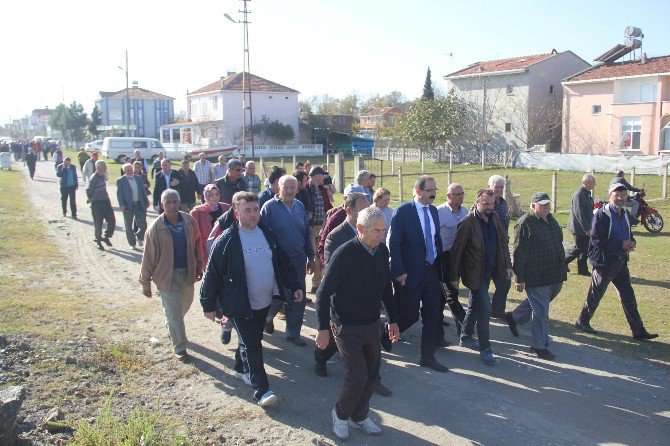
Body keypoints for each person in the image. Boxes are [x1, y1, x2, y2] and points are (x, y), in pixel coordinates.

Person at [201, 191, 302, 407]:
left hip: (264, 301)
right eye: (247, 210)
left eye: (256, 209)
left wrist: (294, 285)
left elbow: (282, 261)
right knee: (253, 344)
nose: (253, 214)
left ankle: (240, 368)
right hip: (240, 303)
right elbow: (212, 275)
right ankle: (262, 390)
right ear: (237, 213)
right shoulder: (227, 241)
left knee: (252, 339)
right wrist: (208, 305)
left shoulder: (266, 233)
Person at [316, 206, 399, 440]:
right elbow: (323, 294)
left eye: (383, 230)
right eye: (376, 231)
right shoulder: (345, 254)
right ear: (360, 229)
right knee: (357, 375)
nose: (380, 235)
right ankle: (341, 415)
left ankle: (359, 416)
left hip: (371, 323)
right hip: (346, 325)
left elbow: (385, 288)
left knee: (372, 372)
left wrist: (392, 319)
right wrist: (323, 329)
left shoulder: (381, 251)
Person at [574, 183, 658, 340]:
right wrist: (621, 245)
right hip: (604, 263)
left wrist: (631, 242)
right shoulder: (601, 215)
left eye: (623, 195)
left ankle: (638, 331)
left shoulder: (625, 213)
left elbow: (628, 233)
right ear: (609, 197)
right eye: (616, 195)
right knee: (595, 295)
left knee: (629, 297)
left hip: (620, 262)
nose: (620, 198)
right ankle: (582, 321)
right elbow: (597, 240)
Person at [387, 176, 448, 372]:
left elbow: (434, 239)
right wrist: (398, 270)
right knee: (410, 315)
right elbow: (394, 243)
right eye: (429, 190)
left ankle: (428, 357)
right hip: (410, 272)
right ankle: (383, 334)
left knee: (432, 315)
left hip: (431, 271)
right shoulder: (404, 211)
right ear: (418, 191)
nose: (433, 193)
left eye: (435, 189)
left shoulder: (433, 211)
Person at [139, 189, 204, 361]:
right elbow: (148, 257)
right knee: (174, 312)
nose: (172, 205)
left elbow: (198, 244)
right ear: (162, 205)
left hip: (187, 272)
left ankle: (172, 324)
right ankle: (180, 346)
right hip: (166, 276)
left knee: (184, 305)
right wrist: (145, 281)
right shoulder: (155, 228)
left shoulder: (189, 221)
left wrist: (199, 265)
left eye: (175, 201)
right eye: (168, 202)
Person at [450, 188, 513, 366]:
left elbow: (502, 242)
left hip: (492, 270)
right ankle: (485, 348)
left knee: (474, 307)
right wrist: (454, 277)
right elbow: (457, 252)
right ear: (477, 203)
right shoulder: (467, 223)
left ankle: (465, 336)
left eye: (492, 204)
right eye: (485, 204)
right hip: (475, 274)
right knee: (484, 311)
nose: (489, 207)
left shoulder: (494, 218)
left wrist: (508, 265)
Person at [504, 193, 566, 360]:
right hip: (536, 276)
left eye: (548, 205)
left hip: (555, 274)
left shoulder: (551, 219)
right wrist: (519, 278)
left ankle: (514, 317)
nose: (546, 208)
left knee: (540, 303)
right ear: (533, 206)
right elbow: (519, 253)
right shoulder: (525, 223)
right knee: (541, 313)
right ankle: (539, 346)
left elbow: (558, 241)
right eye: (542, 205)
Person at [314, 193, 370, 376]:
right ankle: (320, 359)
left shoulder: (371, 231)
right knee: (335, 338)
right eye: (363, 210)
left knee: (365, 338)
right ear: (348, 211)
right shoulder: (336, 236)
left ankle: (370, 376)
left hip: (365, 295)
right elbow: (331, 271)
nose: (367, 213)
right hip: (343, 297)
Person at [260, 175, 314, 346]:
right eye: (286, 187)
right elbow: (263, 235)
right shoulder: (269, 208)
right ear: (278, 187)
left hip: (298, 260)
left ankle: (293, 333)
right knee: (276, 297)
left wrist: (311, 256)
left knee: (297, 298)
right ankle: (267, 319)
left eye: (293, 187)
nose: (290, 191)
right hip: (277, 263)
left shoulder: (299, 206)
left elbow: (306, 233)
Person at [436, 183, 468, 334]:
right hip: (444, 257)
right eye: (458, 194)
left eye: (462, 193)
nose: (461, 196)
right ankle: (463, 325)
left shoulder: (465, 212)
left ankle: (437, 317)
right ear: (449, 196)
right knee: (451, 291)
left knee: (444, 292)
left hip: (461, 257)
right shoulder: (439, 212)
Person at [487, 175, 512, 318]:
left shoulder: (503, 204)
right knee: (482, 285)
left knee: (505, 282)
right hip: (487, 250)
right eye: (496, 187)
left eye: (501, 187)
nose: (499, 190)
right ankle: (481, 310)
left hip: (501, 249)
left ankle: (496, 310)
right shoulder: (483, 202)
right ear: (490, 186)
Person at [305, 166, 333, 292]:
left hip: (322, 226)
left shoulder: (322, 190)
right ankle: (311, 283)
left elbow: (329, 206)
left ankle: (316, 284)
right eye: (322, 175)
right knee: (312, 255)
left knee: (319, 255)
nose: (324, 177)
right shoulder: (306, 190)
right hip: (310, 227)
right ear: (316, 176)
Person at [190, 184, 232, 264]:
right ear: (205, 196)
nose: (215, 197)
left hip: (224, 244)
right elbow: (193, 235)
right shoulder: (197, 212)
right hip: (206, 247)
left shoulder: (226, 207)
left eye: (217, 194)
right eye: (211, 194)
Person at [565, 173, 596, 276]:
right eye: (593, 182)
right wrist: (587, 228)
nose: (594, 184)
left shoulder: (586, 193)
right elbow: (579, 213)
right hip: (578, 226)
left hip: (586, 225)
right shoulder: (579, 194)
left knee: (585, 248)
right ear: (587, 182)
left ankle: (582, 269)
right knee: (579, 247)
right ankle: (563, 261)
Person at [117, 163, 150, 249]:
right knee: (128, 225)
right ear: (124, 171)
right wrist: (121, 205)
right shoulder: (120, 181)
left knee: (143, 225)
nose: (130, 171)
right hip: (128, 206)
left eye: (131, 169)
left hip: (139, 204)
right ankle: (132, 244)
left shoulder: (138, 178)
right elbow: (119, 194)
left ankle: (139, 236)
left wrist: (146, 202)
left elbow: (143, 191)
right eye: (128, 170)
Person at [86, 160, 115, 251]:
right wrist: (91, 199)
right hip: (97, 203)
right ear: (98, 167)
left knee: (112, 220)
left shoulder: (102, 176)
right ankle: (98, 241)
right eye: (104, 166)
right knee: (98, 223)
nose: (106, 168)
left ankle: (106, 237)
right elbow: (89, 191)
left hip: (106, 201)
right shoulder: (93, 178)